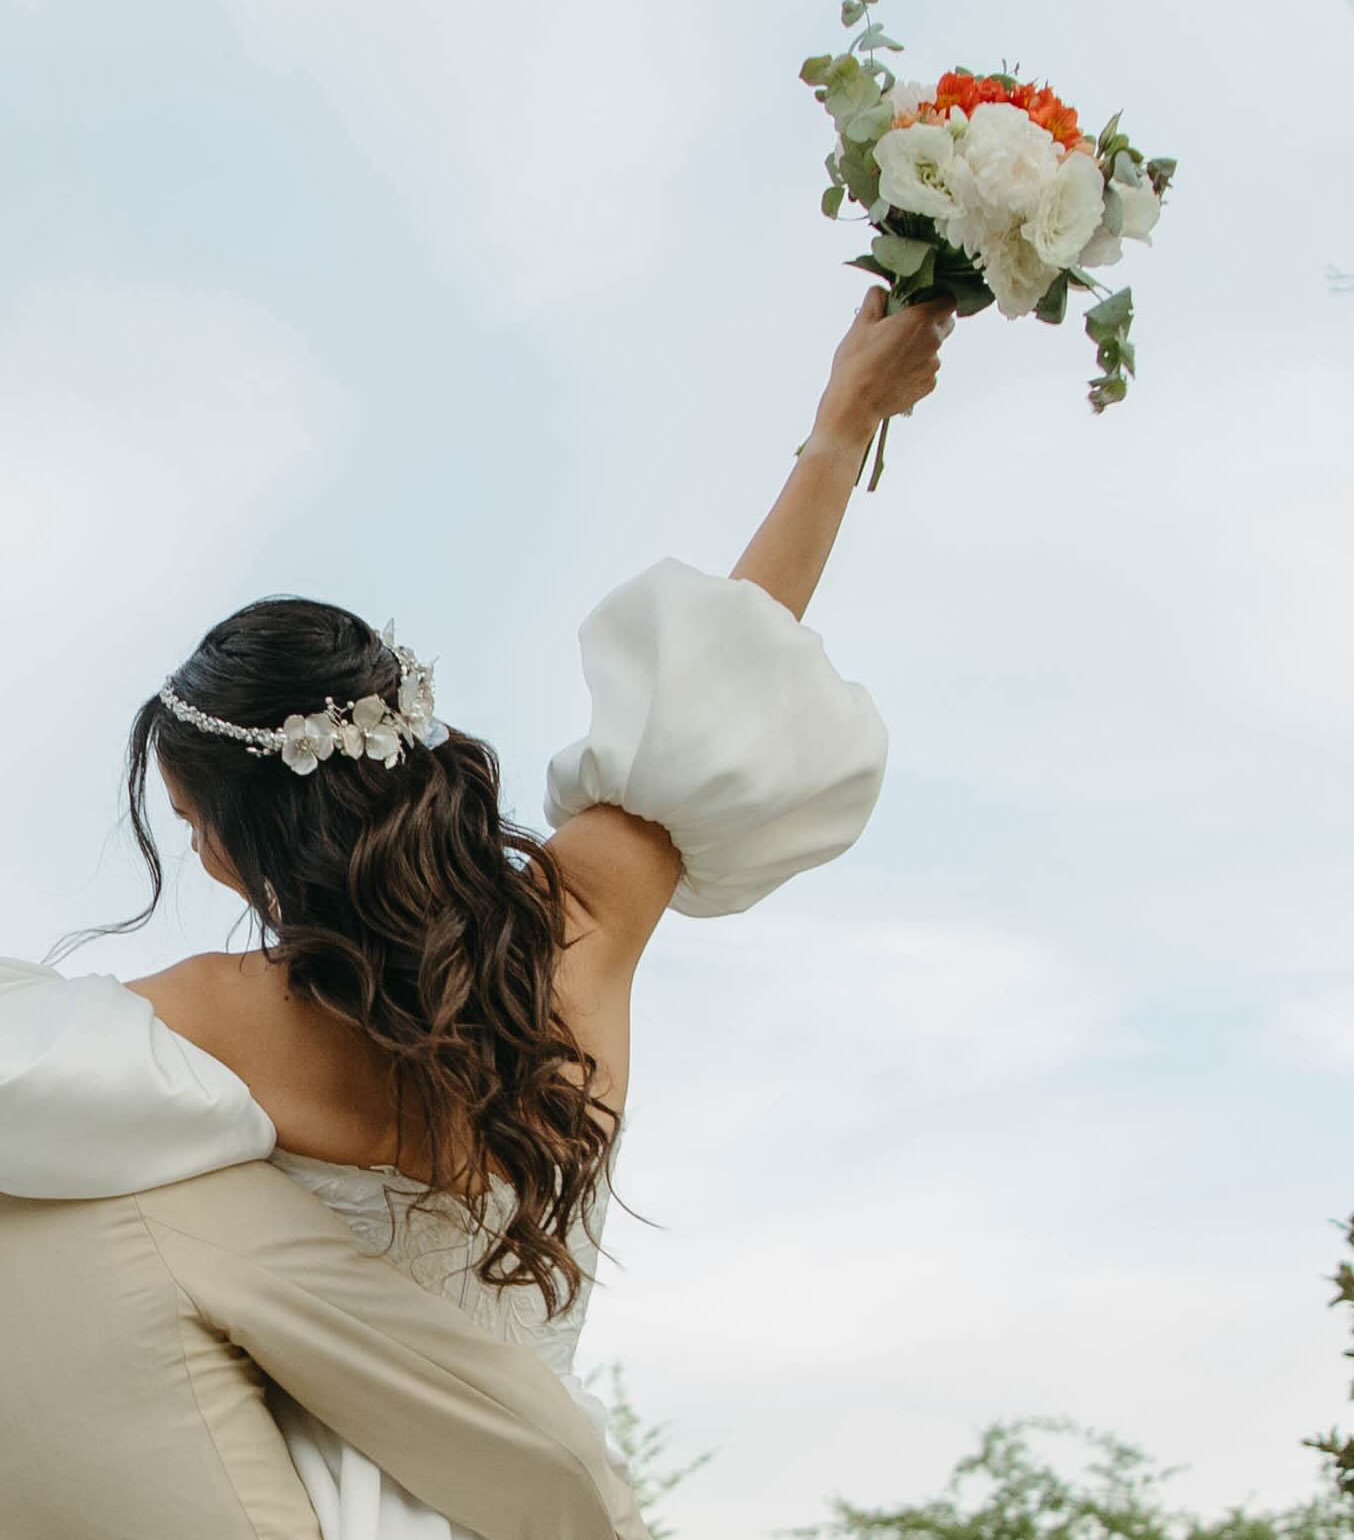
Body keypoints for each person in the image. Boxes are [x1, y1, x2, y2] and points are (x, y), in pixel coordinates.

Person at [0, 287, 953, 1540]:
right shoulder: (585, 919)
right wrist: (842, 421)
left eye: (190, 824)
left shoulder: (214, 1015)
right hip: (527, 1493)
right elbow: (741, 652)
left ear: (248, 827)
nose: (196, 853)